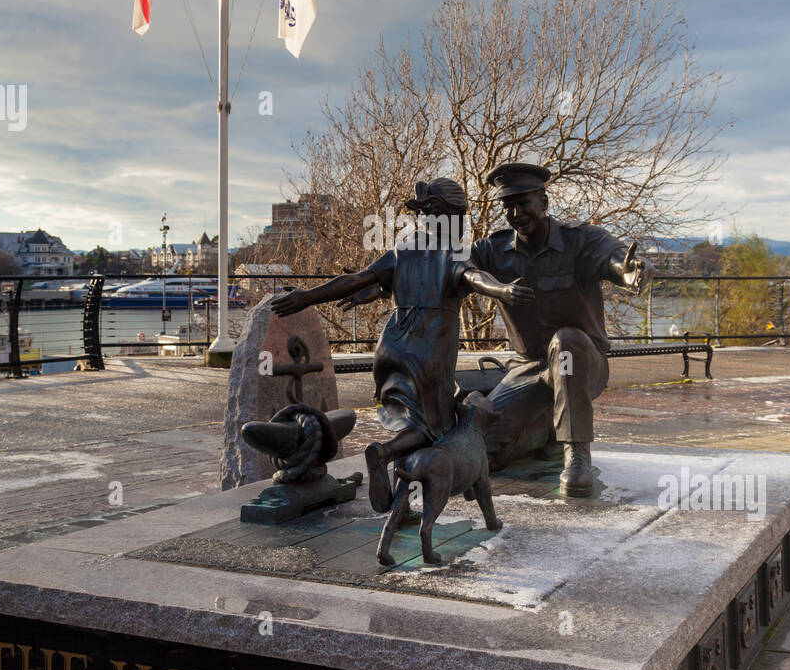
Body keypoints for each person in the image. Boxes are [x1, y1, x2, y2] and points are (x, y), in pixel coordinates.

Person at [269, 177, 533, 513]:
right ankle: (385, 453)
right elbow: (474, 278)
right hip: (429, 353)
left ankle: (402, 502)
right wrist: (504, 290)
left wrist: (307, 297)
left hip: (392, 347)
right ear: (453, 218)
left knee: (405, 418)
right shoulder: (455, 253)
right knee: (431, 428)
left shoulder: (402, 251)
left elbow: (355, 279)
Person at [468, 161, 647, 497]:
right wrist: (386, 275)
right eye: (509, 206)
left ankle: (576, 453)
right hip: (527, 369)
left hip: (581, 361)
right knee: (480, 455)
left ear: (544, 203)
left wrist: (627, 272)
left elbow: (615, 259)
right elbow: (451, 267)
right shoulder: (493, 251)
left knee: (566, 343)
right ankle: (545, 433)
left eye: (524, 204)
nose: (517, 213)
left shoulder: (581, 241)